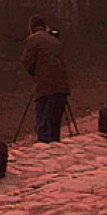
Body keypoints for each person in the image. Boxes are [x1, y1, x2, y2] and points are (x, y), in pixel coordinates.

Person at [20, 14, 71, 143]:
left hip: (45, 88)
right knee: (54, 125)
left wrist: (36, 75)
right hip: (62, 88)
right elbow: (64, 63)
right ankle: (55, 151)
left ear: (31, 27)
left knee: (43, 125)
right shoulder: (55, 41)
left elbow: (26, 62)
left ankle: (45, 150)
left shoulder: (33, 39)